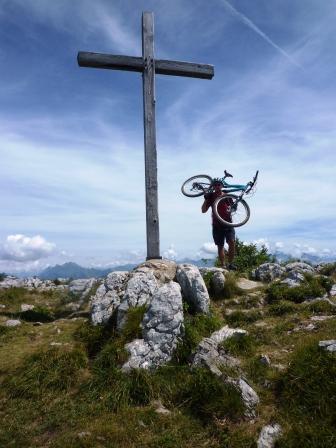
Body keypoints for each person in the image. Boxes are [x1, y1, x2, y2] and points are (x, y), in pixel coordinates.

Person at [201, 178, 237, 270]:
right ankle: (223, 265)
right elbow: (203, 210)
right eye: (215, 185)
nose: (217, 186)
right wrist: (206, 198)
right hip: (217, 225)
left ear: (221, 186)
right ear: (213, 186)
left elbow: (233, 208)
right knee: (220, 246)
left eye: (219, 185)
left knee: (232, 242)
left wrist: (233, 207)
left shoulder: (227, 195)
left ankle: (231, 264)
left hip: (228, 223)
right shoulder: (211, 196)